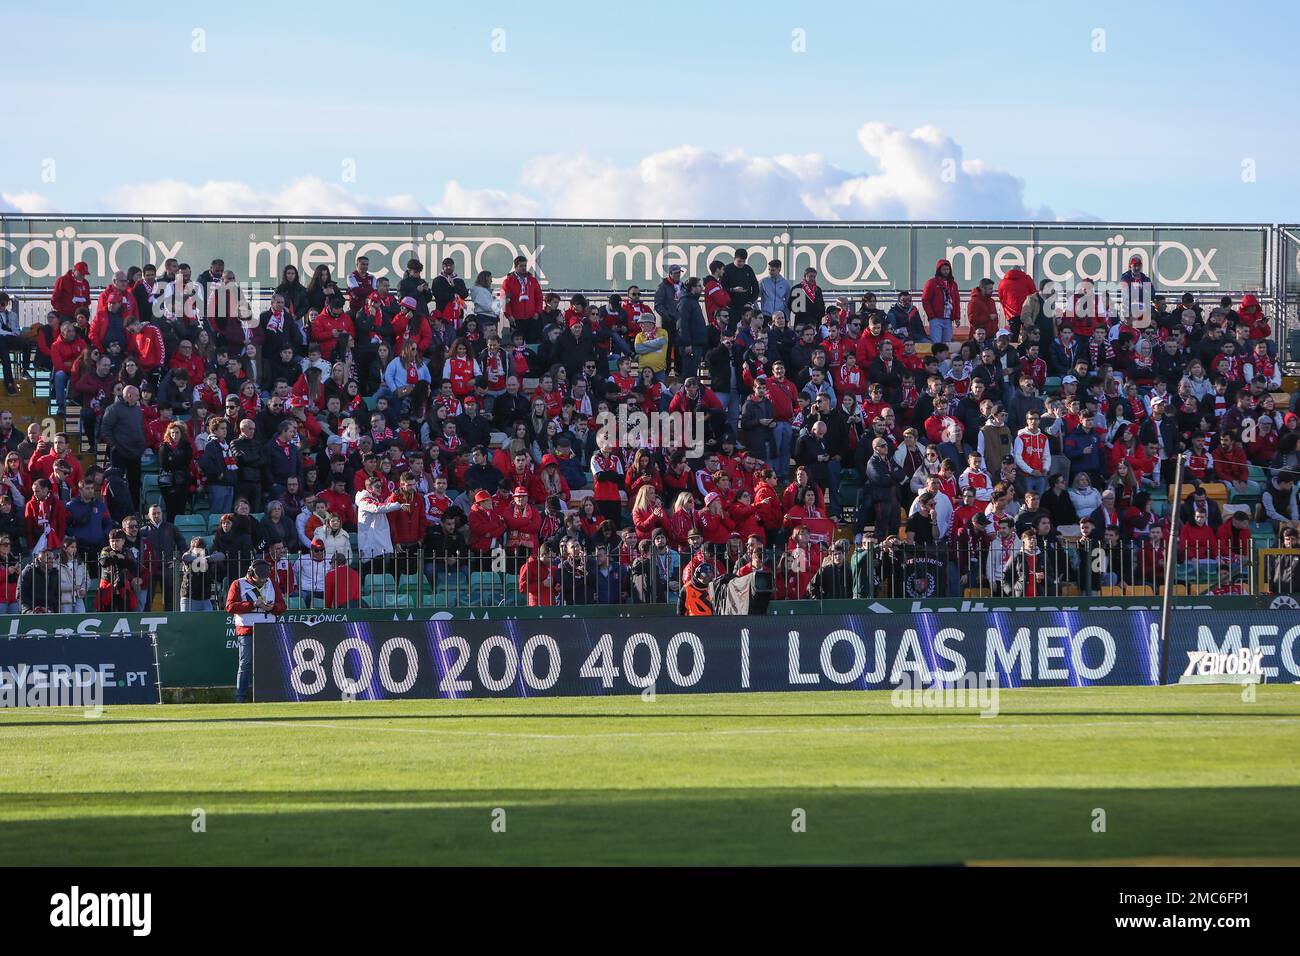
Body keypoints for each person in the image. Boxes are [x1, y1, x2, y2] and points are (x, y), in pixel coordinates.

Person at [225, 559, 286, 703]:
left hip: (268, 629)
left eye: (265, 579)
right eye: (260, 579)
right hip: (247, 629)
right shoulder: (238, 584)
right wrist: (252, 605)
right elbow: (229, 607)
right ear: (251, 574)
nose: (263, 582)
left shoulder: (271, 583)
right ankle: (240, 698)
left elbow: (282, 606)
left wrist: (273, 608)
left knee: (269, 663)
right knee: (245, 664)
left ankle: (269, 696)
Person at [19, 546, 62, 613]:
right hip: (30, 608)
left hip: (48, 609)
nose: (52, 561)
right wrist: (36, 607)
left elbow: (57, 595)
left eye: (53, 558)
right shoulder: (28, 571)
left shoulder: (54, 573)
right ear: (40, 559)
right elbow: (21, 594)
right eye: (49, 558)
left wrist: (55, 612)